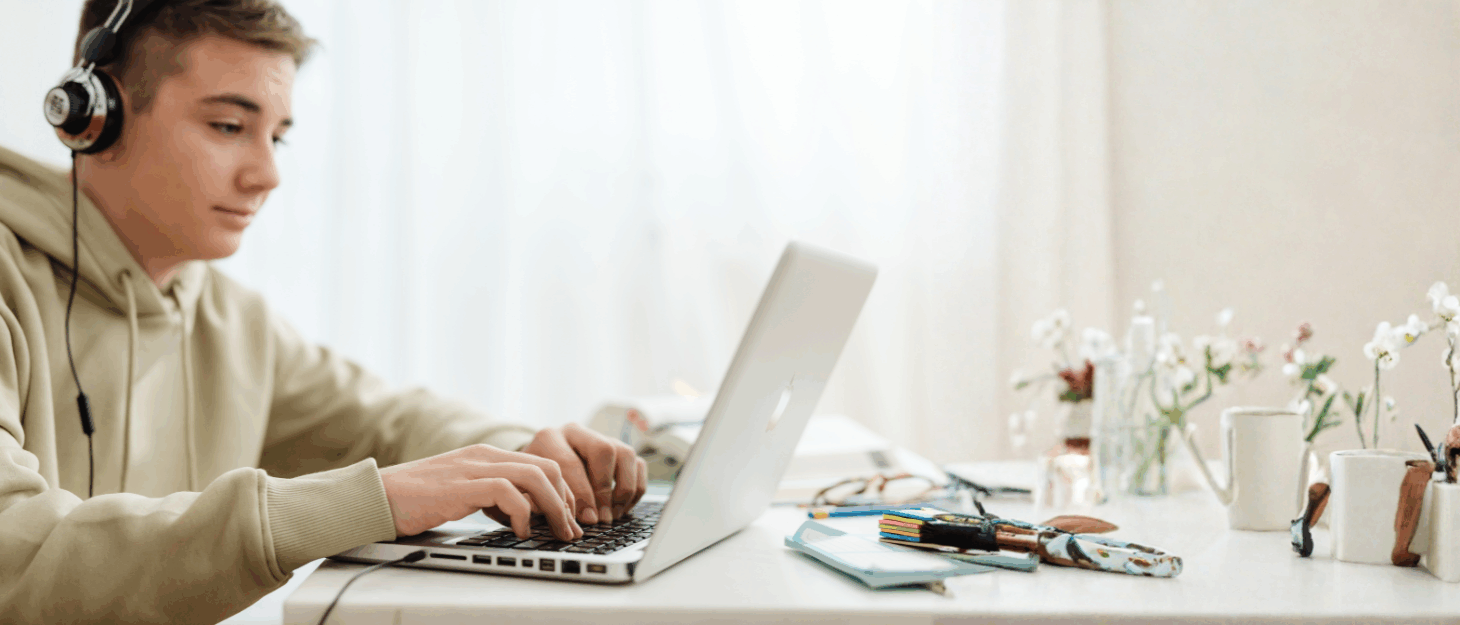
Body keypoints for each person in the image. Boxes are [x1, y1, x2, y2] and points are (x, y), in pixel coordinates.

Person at [0, 1, 646, 622]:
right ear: (92, 116)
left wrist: (522, 454)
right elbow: (12, 551)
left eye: (277, 136)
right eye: (229, 126)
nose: (267, 173)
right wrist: (373, 500)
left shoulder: (228, 316)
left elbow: (385, 421)